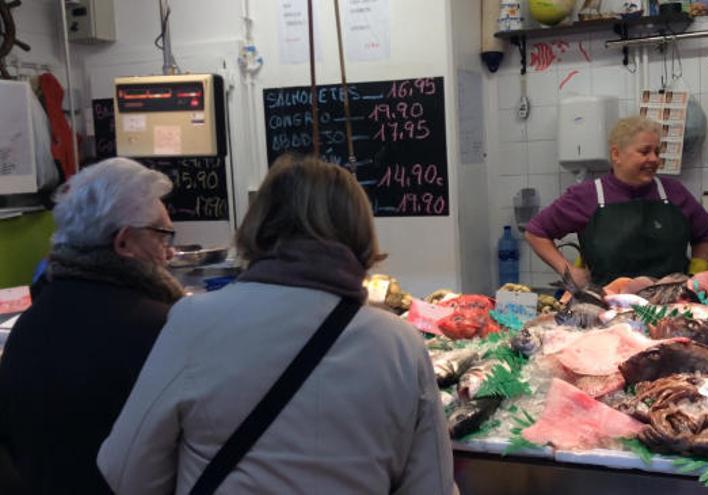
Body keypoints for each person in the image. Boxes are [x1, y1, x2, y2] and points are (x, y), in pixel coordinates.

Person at [97, 154, 456, 494]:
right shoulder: (400, 344)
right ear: (360, 234)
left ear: (259, 224)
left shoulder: (193, 321)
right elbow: (433, 486)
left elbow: (127, 472)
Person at [0, 157, 183, 494]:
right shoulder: (159, 329)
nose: (169, 252)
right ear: (123, 242)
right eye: (162, 235)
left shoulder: (28, 325)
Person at [525, 116, 708, 287]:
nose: (654, 159)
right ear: (616, 154)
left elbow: (706, 234)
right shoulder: (586, 196)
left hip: (671, 307)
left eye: (657, 152)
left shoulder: (673, 192)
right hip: (609, 308)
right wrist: (568, 270)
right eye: (645, 152)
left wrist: (697, 274)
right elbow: (536, 232)